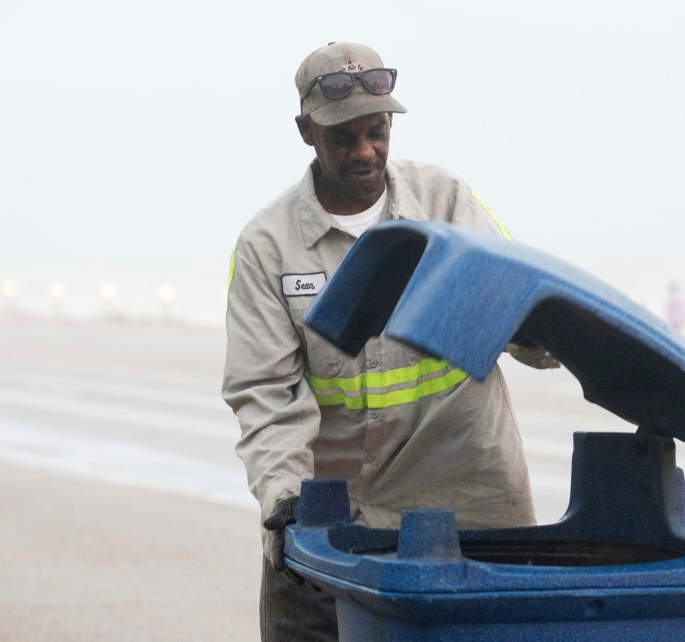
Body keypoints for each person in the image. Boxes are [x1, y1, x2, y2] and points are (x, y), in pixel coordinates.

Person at [222, 42, 556, 641]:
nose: (365, 151)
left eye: (377, 131)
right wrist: (285, 499)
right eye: (343, 138)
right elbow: (263, 391)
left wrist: (561, 336)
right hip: (334, 523)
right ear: (306, 132)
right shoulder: (267, 246)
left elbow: (521, 307)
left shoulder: (446, 204)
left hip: (470, 504)